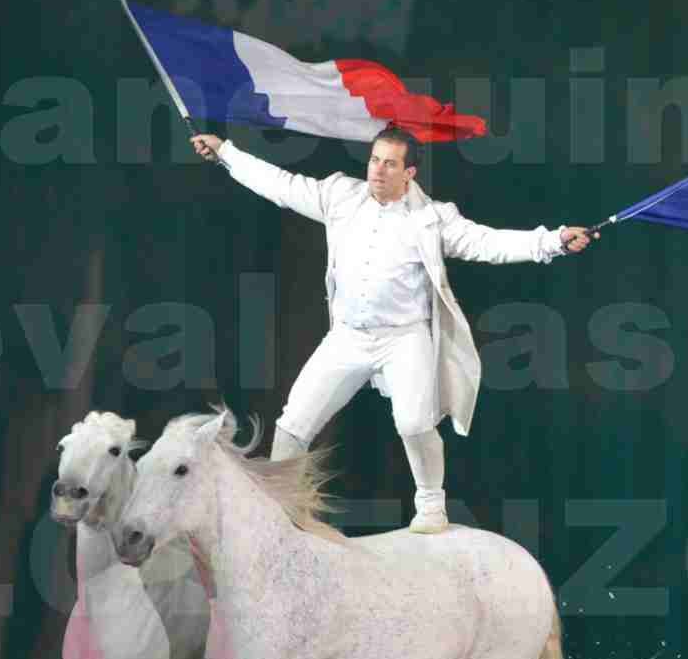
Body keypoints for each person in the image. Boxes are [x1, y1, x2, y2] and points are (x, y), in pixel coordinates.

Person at [191, 126, 596, 534]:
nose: (378, 170)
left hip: (404, 339)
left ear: (410, 173)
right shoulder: (339, 196)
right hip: (348, 337)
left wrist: (554, 241)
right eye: (374, 160)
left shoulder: (432, 219)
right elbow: (280, 184)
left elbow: (488, 243)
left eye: (390, 163)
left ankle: (431, 505)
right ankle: (279, 504)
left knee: (414, 423)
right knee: (293, 423)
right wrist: (227, 153)